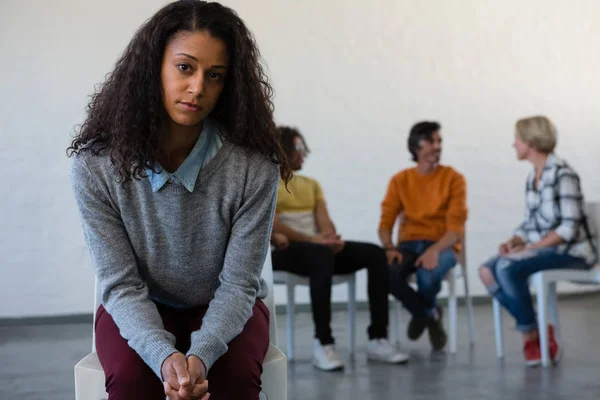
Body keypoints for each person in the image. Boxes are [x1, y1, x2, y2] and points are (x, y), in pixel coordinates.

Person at [68, 1, 291, 399]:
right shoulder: (96, 165)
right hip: (139, 303)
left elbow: (240, 284)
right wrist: (163, 355)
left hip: (226, 304)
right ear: (153, 67)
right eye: (185, 67)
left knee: (235, 377)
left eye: (215, 75)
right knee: (133, 381)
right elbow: (119, 286)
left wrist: (200, 355)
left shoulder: (253, 167)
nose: (198, 88)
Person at [271, 126, 409, 371]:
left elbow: (324, 219)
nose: (304, 153)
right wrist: (316, 242)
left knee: (374, 253)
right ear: (284, 149)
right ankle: (323, 344)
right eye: (299, 148)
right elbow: (275, 224)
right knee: (322, 254)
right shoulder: (268, 181)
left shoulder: (311, 184)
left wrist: (329, 237)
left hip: (317, 251)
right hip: (285, 251)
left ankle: (378, 339)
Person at [478, 116, 597, 366]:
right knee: (487, 271)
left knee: (507, 267)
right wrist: (515, 241)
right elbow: (530, 223)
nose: (514, 145)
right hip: (544, 250)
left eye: (517, 139)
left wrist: (531, 248)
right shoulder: (534, 177)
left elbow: (568, 227)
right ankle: (537, 333)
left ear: (531, 142)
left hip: (572, 253)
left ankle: (529, 338)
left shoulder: (564, 175)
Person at [378, 121, 468, 351]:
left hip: (443, 245)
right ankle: (429, 314)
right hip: (407, 245)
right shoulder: (400, 180)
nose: (437, 146)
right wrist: (389, 247)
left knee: (427, 277)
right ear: (416, 146)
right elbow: (385, 223)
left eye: (439, 141)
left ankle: (422, 313)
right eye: (431, 141)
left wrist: (434, 250)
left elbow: (455, 229)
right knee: (388, 274)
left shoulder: (453, 179)